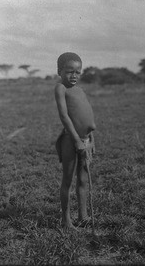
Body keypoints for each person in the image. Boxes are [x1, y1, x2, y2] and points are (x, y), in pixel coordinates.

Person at [55, 52, 96, 231]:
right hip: (71, 141)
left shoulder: (80, 90)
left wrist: (90, 138)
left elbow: (86, 115)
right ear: (60, 71)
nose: (74, 75)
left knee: (83, 180)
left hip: (86, 140)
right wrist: (76, 141)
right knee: (68, 181)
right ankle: (66, 220)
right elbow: (64, 116)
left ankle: (83, 215)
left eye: (77, 72)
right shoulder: (60, 88)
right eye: (69, 71)